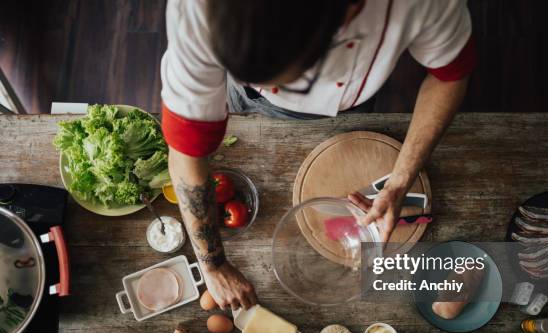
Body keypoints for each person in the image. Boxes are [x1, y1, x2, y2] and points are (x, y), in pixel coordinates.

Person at [161, 0, 476, 310]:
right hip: (249, 99)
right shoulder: (196, 11)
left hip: (352, 102)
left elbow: (450, 75)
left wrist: (400, 180)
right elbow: (186, 153)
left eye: (293, 81)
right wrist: (213, 266)